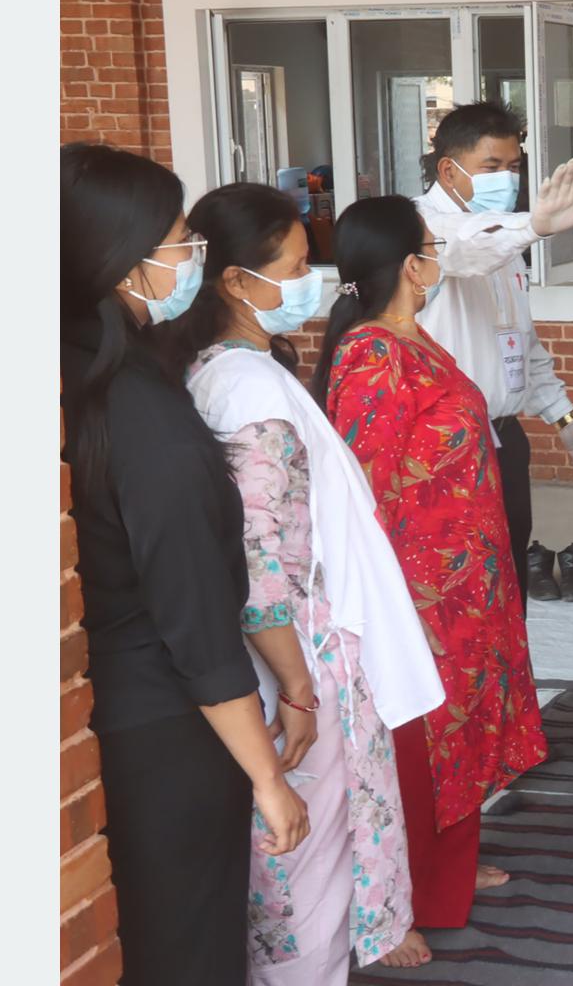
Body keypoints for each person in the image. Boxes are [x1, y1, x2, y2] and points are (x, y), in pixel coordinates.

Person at [171, 182, 446, 976]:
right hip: (299, 663)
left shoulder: (234, 370)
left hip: (297, 651)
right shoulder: (249, 390)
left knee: (307, 868)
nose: (311, 282)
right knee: (307, 875)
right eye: (295, 267)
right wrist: (298, 691)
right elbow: (265, 565)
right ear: (236, 281)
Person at [60, 144, 310, 986]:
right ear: (123, 259)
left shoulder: (76, 370)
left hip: (109, 715)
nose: (192, 255)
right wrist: (267, 777)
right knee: (189, 946)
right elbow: (197, 623)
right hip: (170, 732)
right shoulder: (141, 412)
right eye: (178, 239)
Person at [315, 196, 549, 941]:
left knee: (465, 724)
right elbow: (365, 487)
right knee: (423, 739)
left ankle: (453, 861)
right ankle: (405, 897)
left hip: (466, 582)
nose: (437, 259)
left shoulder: (416, 340)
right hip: (418, 589)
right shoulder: (371, 355)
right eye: (429, 247)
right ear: (408, 265)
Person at [413, 101, 573, 605]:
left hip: (504, 437)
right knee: (461, 586)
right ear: (448, 171)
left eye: (514, 165)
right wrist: (532, 228)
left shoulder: (503, 237)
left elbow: (520, 341)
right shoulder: (421, 226)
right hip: (448, 446)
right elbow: (463, 251)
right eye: (491, 167)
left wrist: (564, 417)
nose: (507, 178)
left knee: (511, 576)